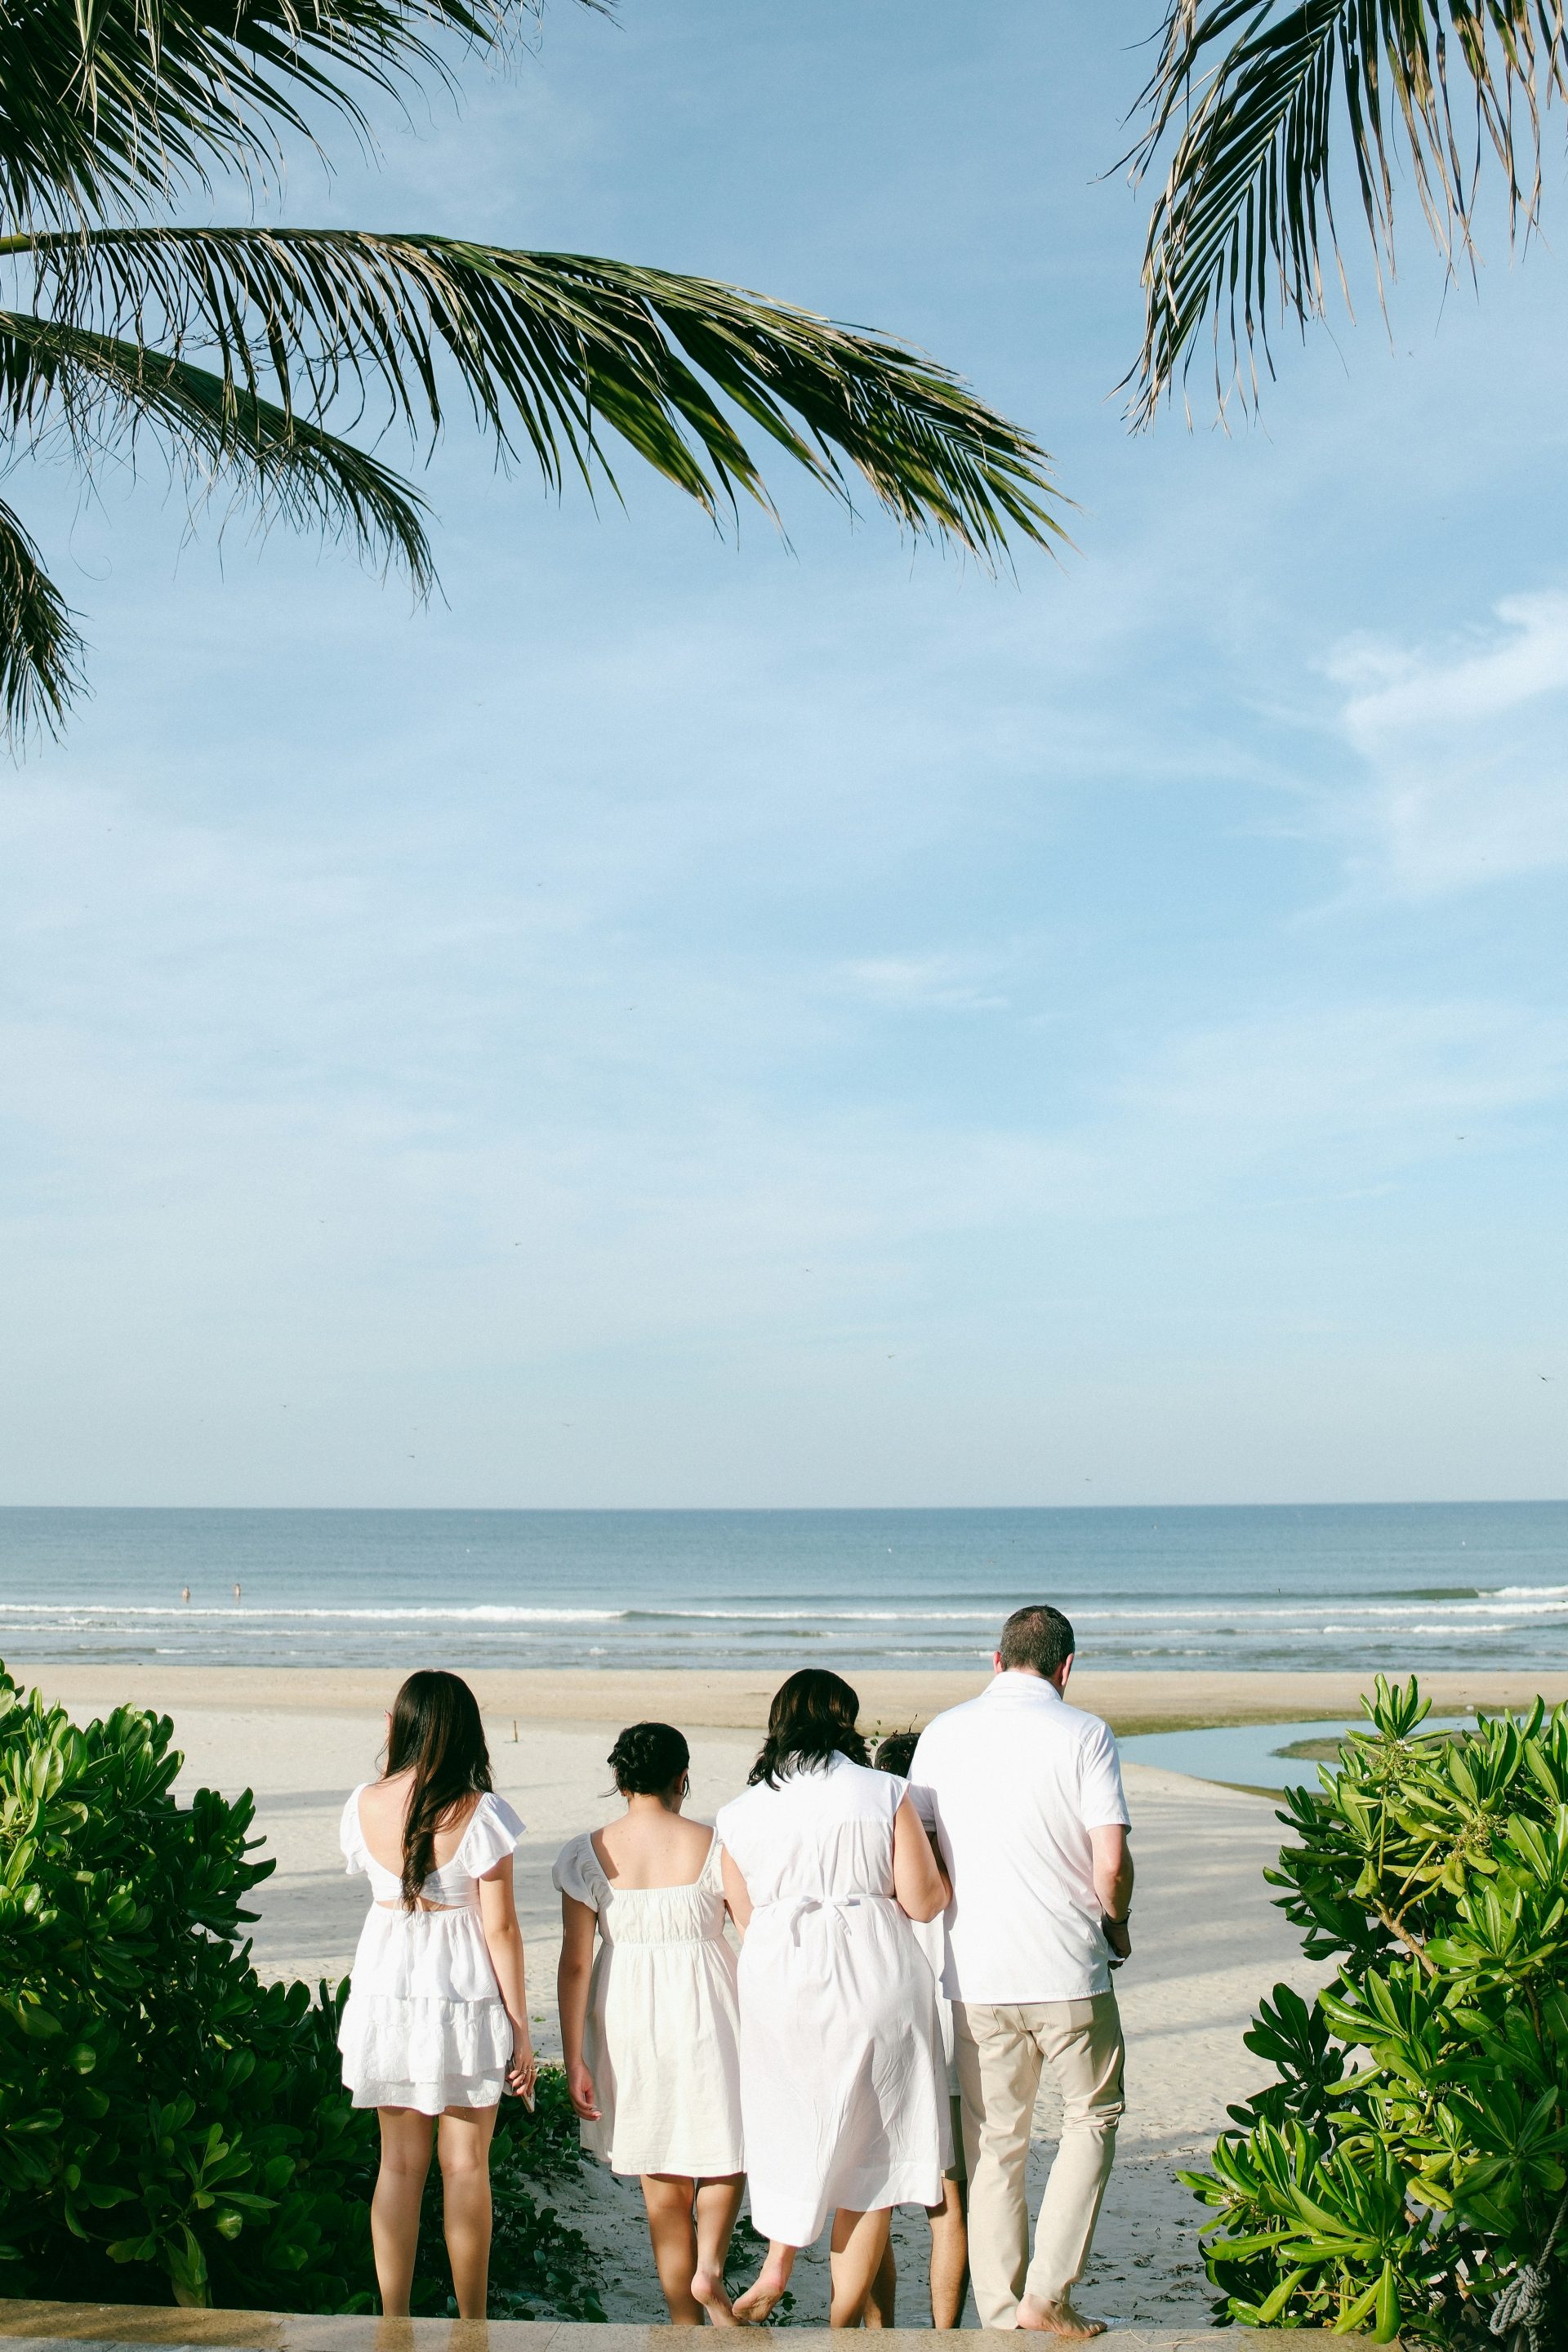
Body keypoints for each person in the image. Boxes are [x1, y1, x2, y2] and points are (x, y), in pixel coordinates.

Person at [911, 1605, 1133, 2340]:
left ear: (995, 1661)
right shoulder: (1086, 1733)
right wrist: (1118, 1923)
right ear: (1067, 1668)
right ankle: (1048, 2295)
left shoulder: (942, 1734)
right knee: (1091, 2118)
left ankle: (1003, 2316)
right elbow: (1111, 1864)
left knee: (994, 2145)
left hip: (975, 1974)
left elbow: (920, 1855)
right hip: (1068, 1968)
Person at [716, 1668, 951, 2328]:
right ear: (844, 1720)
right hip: (873, 1972)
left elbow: (746, 1917)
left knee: (794, 2126)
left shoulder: (739, 1813)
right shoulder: (884, 1792)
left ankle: (777, 2265)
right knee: (871, 2160)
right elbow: (924, 1902)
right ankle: (842, 2321)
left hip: (781, 1982)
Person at [337, 1669, 534, 2318]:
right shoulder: (481, 1811)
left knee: (397, 2168)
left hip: (389, 1992)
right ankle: (471, 2321)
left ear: (402, 1724)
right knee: (465, 2167)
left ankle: (394, 2321)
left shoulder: (362, 1802)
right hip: (463, 1997)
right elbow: (500, 1929)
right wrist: (521, 2028)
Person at [554, 1721, 746, 2326]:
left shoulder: (586, 1853)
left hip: (628, 2014)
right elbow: (756, 1933)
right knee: (725, 2151)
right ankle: (710, 2265)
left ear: (619, 1779)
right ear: (681, 1778)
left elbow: (576, 1962)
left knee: (662, 2181)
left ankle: (684, 2324)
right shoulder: (716, 1843)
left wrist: (574, 2057)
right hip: (711, 2005)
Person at [863, 1730, 969, 2331]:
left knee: (874, 2197)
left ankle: (881, 2334)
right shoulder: (963, 1861)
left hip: (885, 2037)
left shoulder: (872, 1862)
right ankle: (945, 2335)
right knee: (949, 2205)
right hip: (951, 2038)